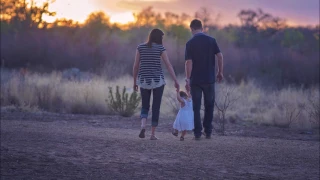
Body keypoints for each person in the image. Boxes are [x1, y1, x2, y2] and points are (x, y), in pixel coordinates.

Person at [133, 28, 179, 140]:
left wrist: (135, 81)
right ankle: (152, 134)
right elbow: (168, 65)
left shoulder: (140, 47)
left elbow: (135, 66)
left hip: (143, 80)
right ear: (159, 37)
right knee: (156, 107)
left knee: (145, 105)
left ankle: (143, 126)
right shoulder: (160, 48)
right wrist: (175, 80)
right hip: (158, 81)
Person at [184, 19, 224, 140]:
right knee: (209, 105)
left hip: (195, 80)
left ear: (192, 29)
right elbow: (220, 56)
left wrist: (187, 79)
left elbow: (188, 62)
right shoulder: (211, 41)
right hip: (209, 79)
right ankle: (208, 131)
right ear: (202, 28)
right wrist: (220, 72)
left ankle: (197, 133)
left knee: (196, 107)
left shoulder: (190, 43)